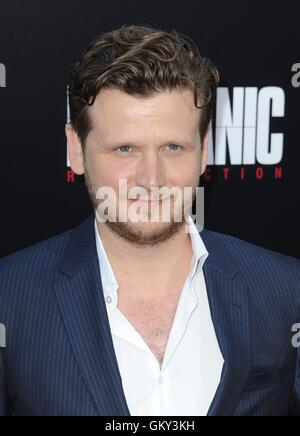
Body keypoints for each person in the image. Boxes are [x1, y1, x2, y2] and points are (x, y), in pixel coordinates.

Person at [0, 24, 299, 416]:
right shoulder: (9, 298)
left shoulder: (286, 290)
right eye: (125, 149)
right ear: (76, 149)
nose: (151, 179)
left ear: (204, 149)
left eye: (173, 147)